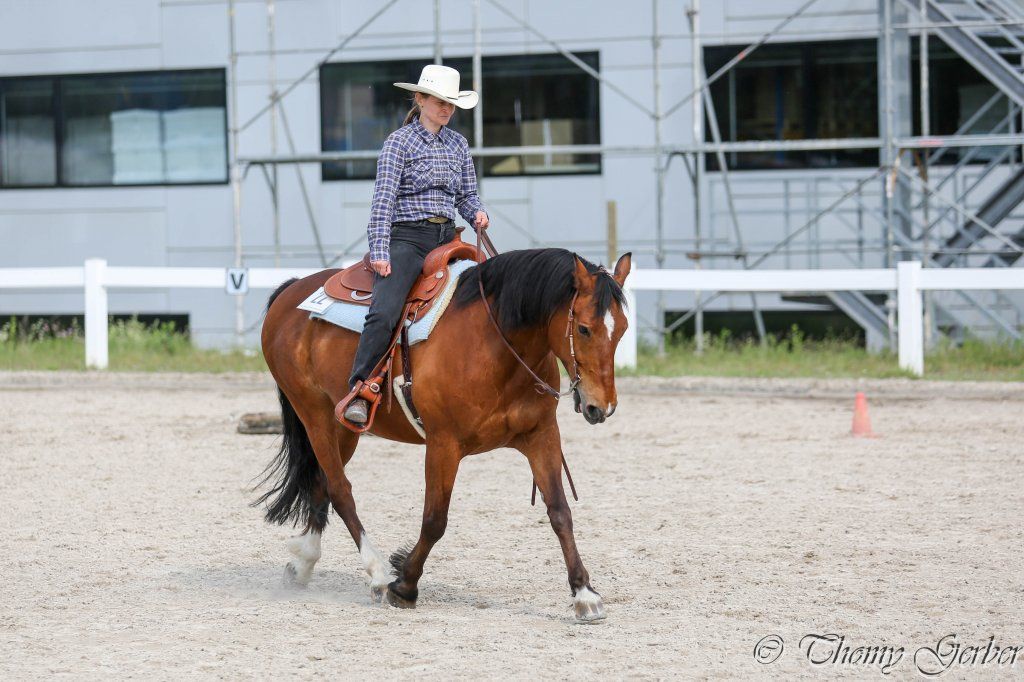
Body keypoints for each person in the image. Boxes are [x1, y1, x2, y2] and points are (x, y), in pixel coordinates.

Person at [341, 64, 489, 424]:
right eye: (440, 102)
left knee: (488, 296)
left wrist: (477, 211)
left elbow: (466, 194)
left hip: (448, 238)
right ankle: (362, 388)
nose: (446, 109)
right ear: (420, 99)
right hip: (407, 238)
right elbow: (383, 199)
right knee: (385, 311)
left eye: (451, 104)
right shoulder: (399, 142)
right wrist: (380, 249)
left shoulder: (458, 144)